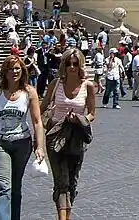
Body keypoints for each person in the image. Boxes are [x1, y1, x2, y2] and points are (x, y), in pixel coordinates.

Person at [0, 55, 46, 220]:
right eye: (10, 69)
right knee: (3, 187)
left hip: (22, 142)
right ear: (4, 72)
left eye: (17, 68)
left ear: (22, 70)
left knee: (15, 187)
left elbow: (37, 121)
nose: (14, 72)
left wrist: (40, 147)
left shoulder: (29, 92)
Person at [41, 48, 96, 220]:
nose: (72, 67)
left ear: (80, 65)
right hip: (55, 135)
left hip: (76, 136)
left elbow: (92, 113)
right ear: (63, 65)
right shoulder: (56, 83)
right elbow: (42, 107)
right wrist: (48, 120)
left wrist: (79, 118)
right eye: (68, 64)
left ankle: (67, 215)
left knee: (72, 181)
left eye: (75, 64)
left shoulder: (88, 86)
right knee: (61, 181)